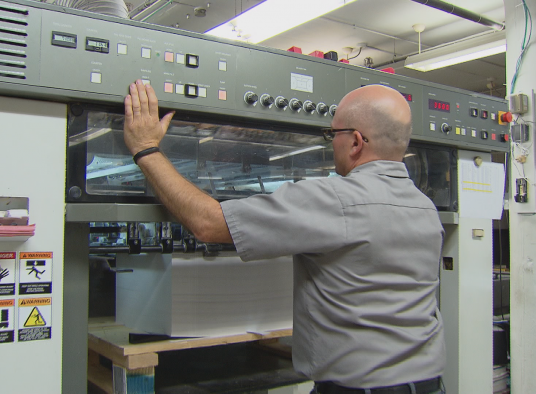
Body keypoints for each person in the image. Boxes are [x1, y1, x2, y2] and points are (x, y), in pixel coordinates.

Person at [123, 81, 446, 394]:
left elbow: (207, 223)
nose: (330, 142)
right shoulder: (426, 208)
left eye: (332, 134)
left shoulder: (333, 199)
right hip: (430, 383)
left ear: (356, 142)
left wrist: (146, 150)